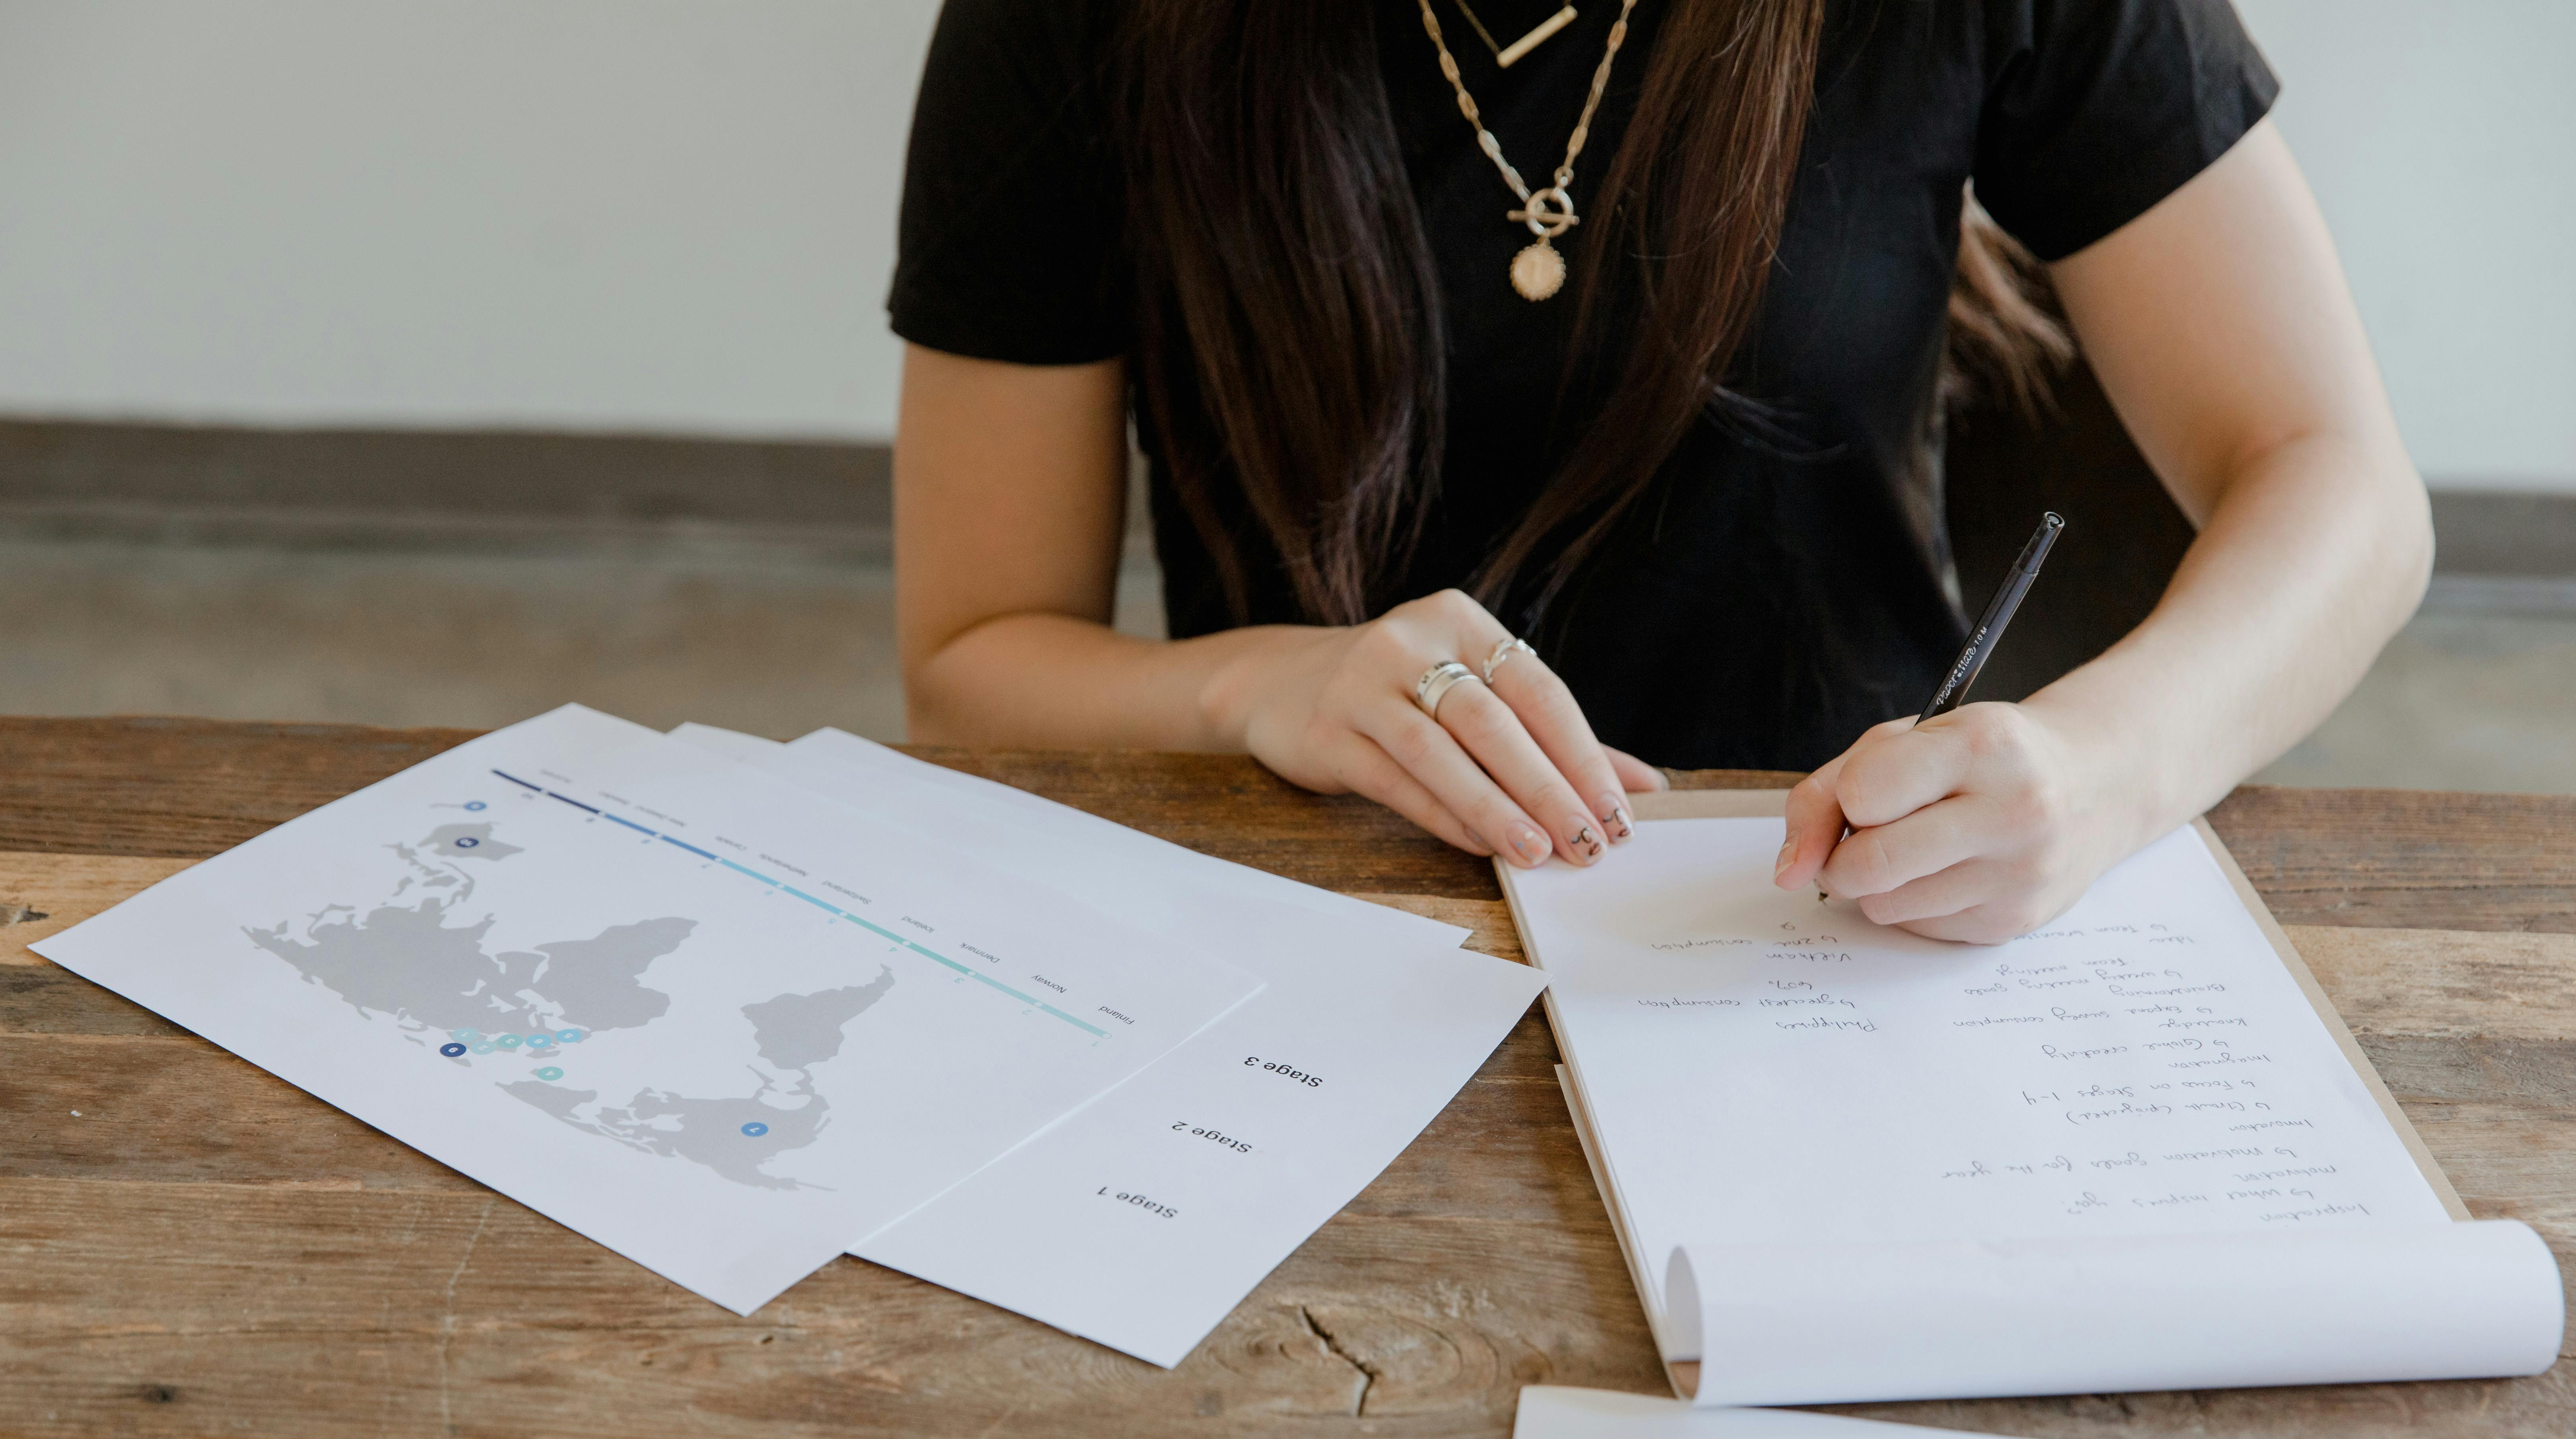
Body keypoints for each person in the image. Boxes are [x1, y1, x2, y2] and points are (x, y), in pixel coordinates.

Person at [886, 0, 2429, 943]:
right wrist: (1261, 687)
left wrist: (2103, 769)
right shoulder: (1070, 21)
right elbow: (973, 662)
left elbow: (2339, 485)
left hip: (1854, 918)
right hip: (1316, 932)